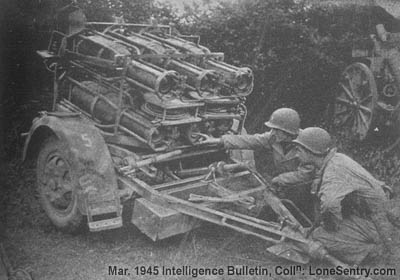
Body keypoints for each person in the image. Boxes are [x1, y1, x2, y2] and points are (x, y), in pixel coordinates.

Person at [285, 127, 395, 265]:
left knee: (317, 238)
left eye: (299, 150)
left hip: (375, 225)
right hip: (374, 218)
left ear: (311, 152)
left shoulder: (333, 171)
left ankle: (370, 252)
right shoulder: (337, 159)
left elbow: (330, 205)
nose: (296, 155)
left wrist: (330, 228)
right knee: (319, 232)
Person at [196, 108, 315, 186]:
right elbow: (250, 140)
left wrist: (279, 179)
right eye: (272, 129)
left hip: (305, 185)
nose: (272, 132)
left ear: (288, 132)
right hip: (285, 182)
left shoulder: (307, 144)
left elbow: (306, 174)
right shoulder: (274, 137)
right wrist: (218, 140)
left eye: (276, 130)